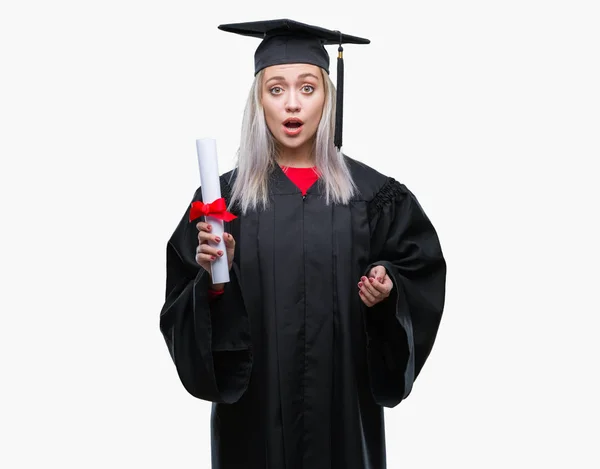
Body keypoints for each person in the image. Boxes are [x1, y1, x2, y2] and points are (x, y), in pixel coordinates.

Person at [160, 18, 446, 469]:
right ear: (258, 101)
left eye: (307, 88)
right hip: (252, 425)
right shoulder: (222, 202)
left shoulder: (374, 197)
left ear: (327, 98)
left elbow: (419, 273)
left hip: (343, 418)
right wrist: (215, 279)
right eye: (276, 89)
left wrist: (388, 289)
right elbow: (185, 310)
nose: (292, 104)